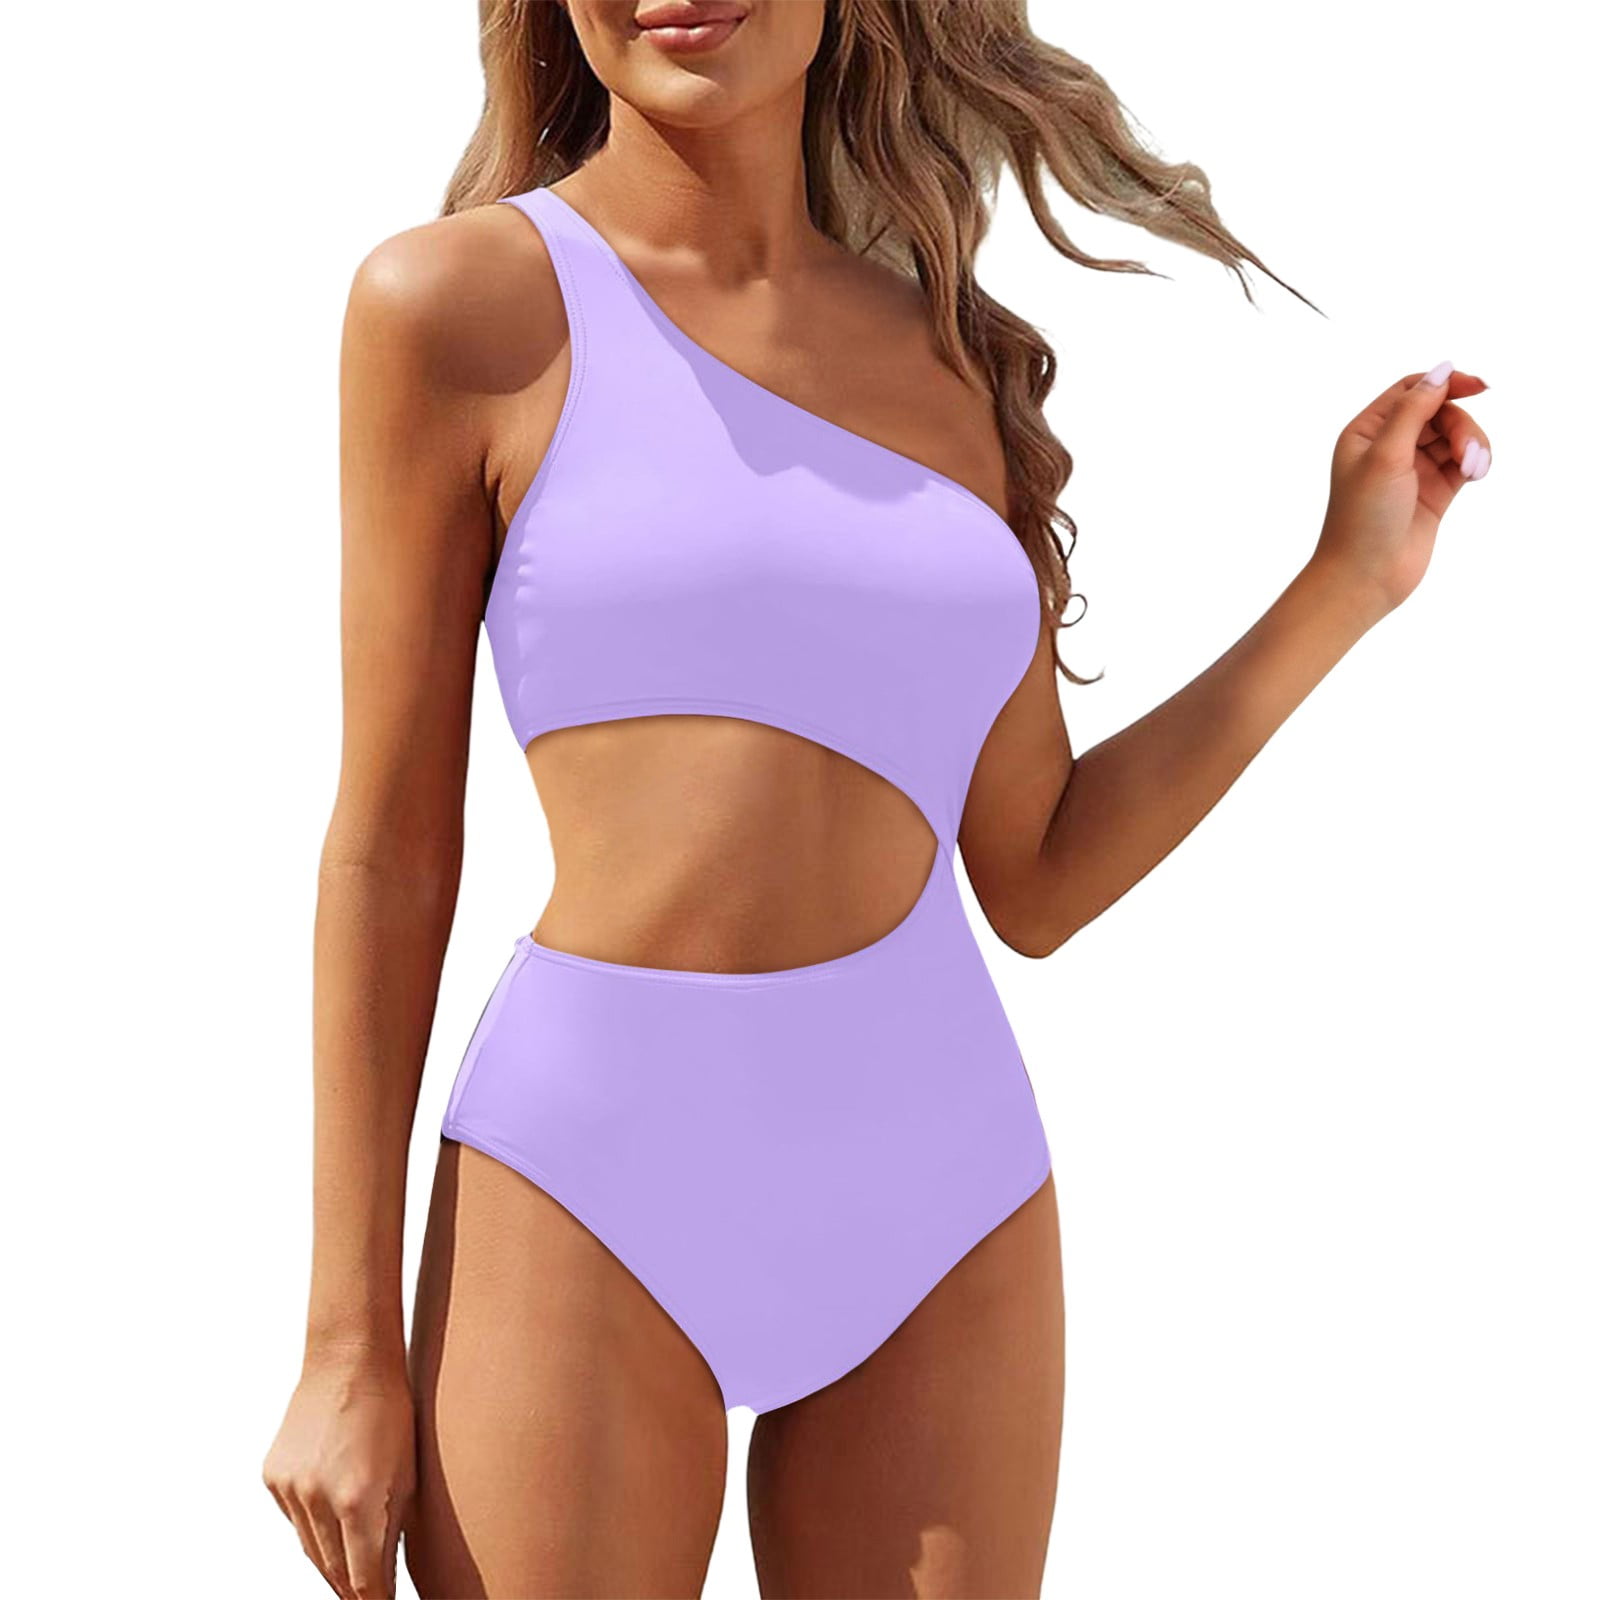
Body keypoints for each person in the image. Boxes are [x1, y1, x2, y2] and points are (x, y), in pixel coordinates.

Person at [262, 2, 1492, 1595]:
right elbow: (387, 847)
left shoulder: (952, 358)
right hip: (590, 1178)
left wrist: (1344, 584)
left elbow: (1037, 871)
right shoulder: (459, 309)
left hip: (944, 1183)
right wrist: (343, 1344)